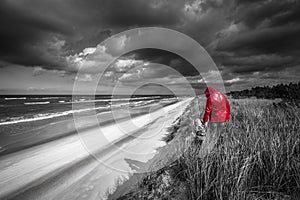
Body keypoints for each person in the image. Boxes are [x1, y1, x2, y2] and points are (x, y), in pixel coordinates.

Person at [197, 86, 230, 156]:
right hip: (223, 118)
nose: (207, 96)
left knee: (211, 134)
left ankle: (209, 150)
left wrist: (205, 121)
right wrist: (227, 117)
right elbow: (227, 107)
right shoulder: (223, 95)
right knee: (221, 134)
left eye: (207, 94)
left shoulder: (210, 98)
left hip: (214, 119)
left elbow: (207, 110)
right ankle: (222, 148)